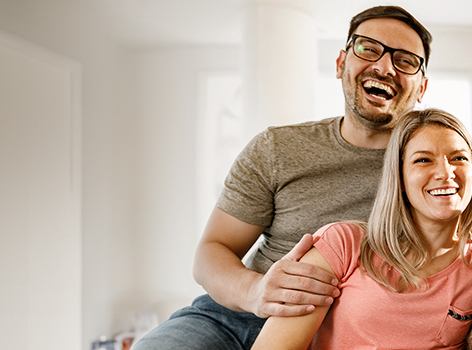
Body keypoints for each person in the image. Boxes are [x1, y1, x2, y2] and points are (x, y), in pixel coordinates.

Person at [134, 6, 449, 349]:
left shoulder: (439, 170)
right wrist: (255, 291)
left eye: (405, 61)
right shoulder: (277, 148)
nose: (385, 67)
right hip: (236, 320)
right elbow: (212, 251)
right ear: (341, 63)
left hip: (341, 333)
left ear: (422, 87)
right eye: (368, 49)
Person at [250, 109, 472, 349]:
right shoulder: (342, 244)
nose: (445, 173)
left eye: (459, 158)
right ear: (400, 178)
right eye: (423, 160)